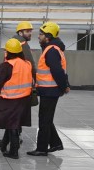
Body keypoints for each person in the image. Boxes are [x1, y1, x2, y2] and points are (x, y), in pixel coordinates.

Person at [0, 39, 33, 158]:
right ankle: (4, 144)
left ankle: (14, 152)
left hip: (9, 99)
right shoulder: (27, 64)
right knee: (12, 122)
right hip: (24, 99)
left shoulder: (7, 65)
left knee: (12, 124)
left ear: (8, 52)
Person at [27, 21, 70, 156]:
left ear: (48, 36)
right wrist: (65, 85)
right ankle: (56, 143)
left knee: (44, 119)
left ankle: (41, 148)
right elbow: (60, 70)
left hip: (50, 90)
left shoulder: (51, 50)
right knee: (47, 118)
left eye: (41, 34)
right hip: (48, 90)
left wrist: (64, 87)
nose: (38, 36)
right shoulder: (52, 48)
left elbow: (57, 71)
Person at [0, 21, 36, 154]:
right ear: (20, 33)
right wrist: (35, 82)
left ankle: (5, 143)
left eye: (30, 30)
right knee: (14, 119)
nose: (30, 33)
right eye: (27, 31)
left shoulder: (11, 43)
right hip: (19, 90)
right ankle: (12, 146)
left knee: (11, 118)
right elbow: (31, 64)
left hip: (10, 88)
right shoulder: (22, 44)